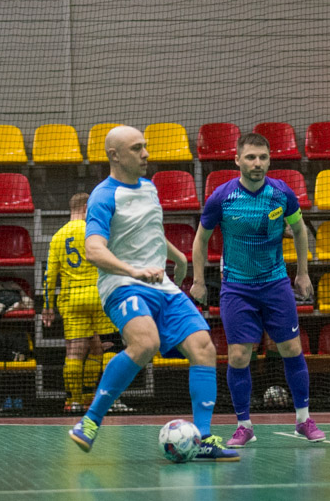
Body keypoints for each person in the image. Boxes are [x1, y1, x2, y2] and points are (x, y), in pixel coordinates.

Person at [68, 125, 238, 462]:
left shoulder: (149, 187)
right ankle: (90, 420)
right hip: (123, 285)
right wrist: (133, 271)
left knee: (204, 348)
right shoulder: (103, 196)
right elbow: (93, 249)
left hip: (161, 284)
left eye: (144, 146)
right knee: (145, 343)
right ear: (115, 155)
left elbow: (151, 232)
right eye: (136, 148)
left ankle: (203, 439)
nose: (145, 154)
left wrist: (177, 258)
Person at [191, 132, 325, 446]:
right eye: (251, 157)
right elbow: (200, 240)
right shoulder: (221, 197)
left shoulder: (282, 193)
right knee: (239, 356)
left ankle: (303, 420)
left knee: (291, 349)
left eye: (263, 157)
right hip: (237, 288)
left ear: (269, 160)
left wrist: (302, 273)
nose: (257, 163)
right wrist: (198, 280)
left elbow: (299, 231)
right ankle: (244, 426)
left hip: (276, 284)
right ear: (237, 160)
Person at [44, 192, 129, 414]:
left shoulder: (58, 236)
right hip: (100, 296)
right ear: (86, 208)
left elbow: (49, 276)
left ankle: (74, 401)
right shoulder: (97, 231)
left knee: (74, 352)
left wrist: (47, 306)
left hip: (72, 300)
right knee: (110, 347)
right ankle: (109, 400)